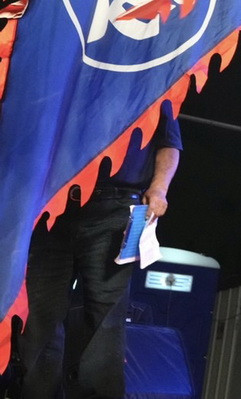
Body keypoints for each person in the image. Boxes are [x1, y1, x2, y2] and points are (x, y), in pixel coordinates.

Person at [20, 102, 181, 399]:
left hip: (115, 207)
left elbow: (169, 142)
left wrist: (159, 188)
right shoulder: (68, 77)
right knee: (41, 313)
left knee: (105, 316)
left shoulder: (148, 81)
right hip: (52, 208)